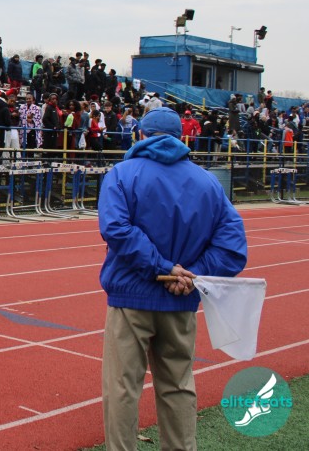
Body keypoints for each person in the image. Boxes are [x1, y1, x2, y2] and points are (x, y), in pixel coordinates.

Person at [98, 107, 247, 451]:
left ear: (141, 135)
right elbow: (233, 246)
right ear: (181, 137)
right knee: (178, 386)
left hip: (131, 298)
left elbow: (116, 228)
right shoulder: (207, 182)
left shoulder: (122, 174)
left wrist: (163, 267)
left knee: (122, 387)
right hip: (181, 300)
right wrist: (191, 273)